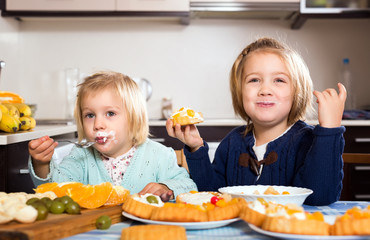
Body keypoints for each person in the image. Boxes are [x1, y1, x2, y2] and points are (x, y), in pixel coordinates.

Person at [166, 37, 347, 206]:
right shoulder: (232, 142)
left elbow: (320, 198)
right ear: (240, 92)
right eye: (254, 80)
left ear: (297, 90)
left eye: (279, 80)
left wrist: (329, 130)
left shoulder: (309, 141)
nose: (265, 89)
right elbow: (212, 194)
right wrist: (196, 148)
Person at [29, 71, 197, 201]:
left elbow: (189, 186)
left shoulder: (160, 155)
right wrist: (42, 164)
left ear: (134, 119)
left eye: (110, 113)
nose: (97, 124)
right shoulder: (80, 156)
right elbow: (56, 189)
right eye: (90, 115)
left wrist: (165, 187)